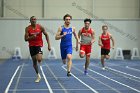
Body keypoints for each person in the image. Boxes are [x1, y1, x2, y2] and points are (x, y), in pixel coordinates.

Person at [24, 16, 51, 82]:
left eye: (35, 19)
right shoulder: (27, 28)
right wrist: (32, 37)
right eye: (32, 19)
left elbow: (46, 35)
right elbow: (25, 39)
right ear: (30, 21)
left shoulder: (40, 27)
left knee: (39, 59)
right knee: (34, 62)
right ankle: (38, 75)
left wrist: (49, 45)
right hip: (31, 46)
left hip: (39, 45)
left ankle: (39, 55)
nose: (34, 20)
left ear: (36, 20)